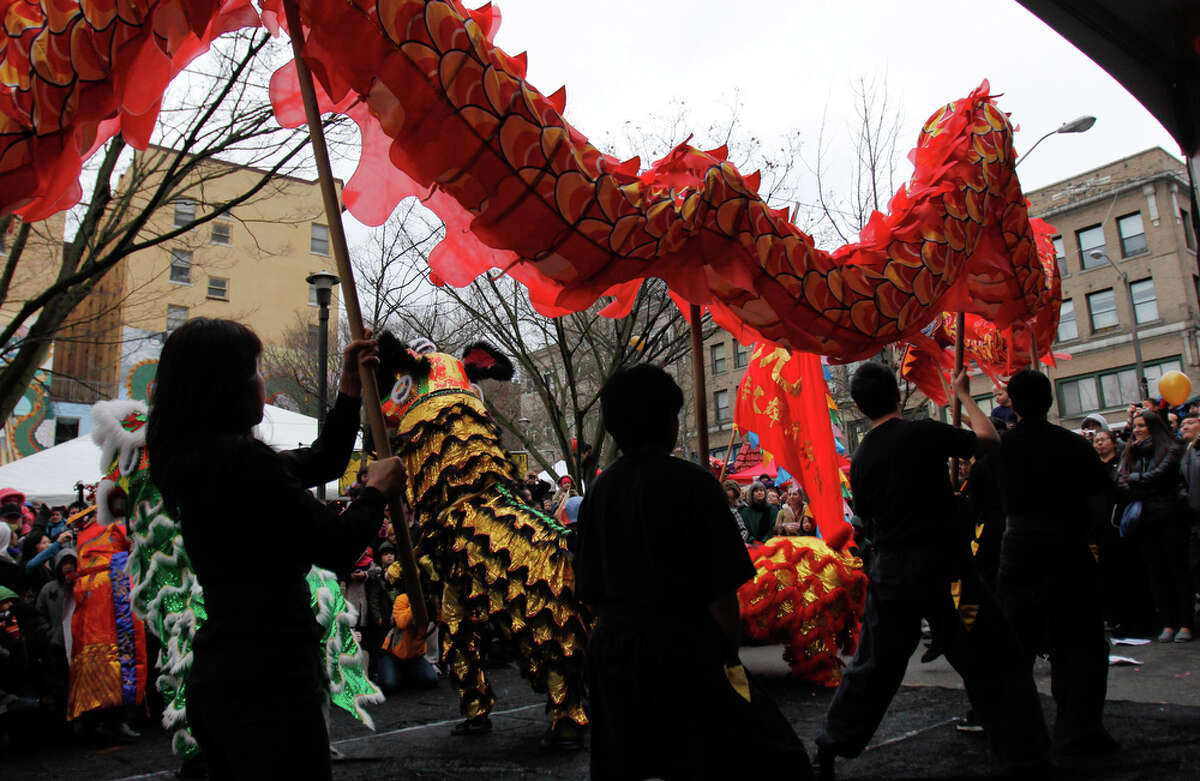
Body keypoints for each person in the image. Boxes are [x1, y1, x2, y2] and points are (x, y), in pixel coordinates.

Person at [146, 318, 406, 780]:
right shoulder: (243, 464)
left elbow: (325, 458)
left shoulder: (204, 461)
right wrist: (375, 493)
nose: (262, 383)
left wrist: (348, 390)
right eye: (254, 370)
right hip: (267, 684)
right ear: (224, 388)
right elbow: (336, 545)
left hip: (230, 672)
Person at [815, 362, 1049, 780]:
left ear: (863, 406)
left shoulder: (862, 454)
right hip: (947, 573)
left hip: (892, 576)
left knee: (875, 662)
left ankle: (833, 742)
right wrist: (962, 395)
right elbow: (989, 440)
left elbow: (867, 516)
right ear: (898, 395)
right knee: (989, 652)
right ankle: (1021, 752)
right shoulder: (922, 432)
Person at [576, 364, 810, 780]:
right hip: (685, 653)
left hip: (614, 656)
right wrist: (726, 652)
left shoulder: (599, 491)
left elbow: (590, 591)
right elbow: (723, 594)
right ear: (667, 420)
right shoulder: (695, 484)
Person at [994, 369, 1117, 754]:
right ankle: (1079, 729)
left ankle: (1019, 733)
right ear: (1050, 401)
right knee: (1079, 644)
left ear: (1012, 404)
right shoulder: (1074, 446)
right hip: (1067, 550)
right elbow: (1101, 501)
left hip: (1021, 551)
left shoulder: (1003, 450)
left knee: (1016, 646)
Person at [1116, 409, 1192, 643]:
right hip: (1145, 520)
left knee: (1178, 571)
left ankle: (1186, 623)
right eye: (1135, 426)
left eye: (1141, 425)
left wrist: (1137, 481)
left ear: (1153, 426)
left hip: (1170, 518)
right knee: (1156, 573)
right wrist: (1139, 483)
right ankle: (1168, 622)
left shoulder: (1172, 447)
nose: (1136, 430)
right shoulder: (1131, 452)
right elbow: (1120, 482)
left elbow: (1161, 475)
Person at [1182, 414, 1200, 632]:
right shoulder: (1187, 451)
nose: (1185, 426)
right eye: (1184, 423)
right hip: (1193, 520)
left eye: (1191, 422)